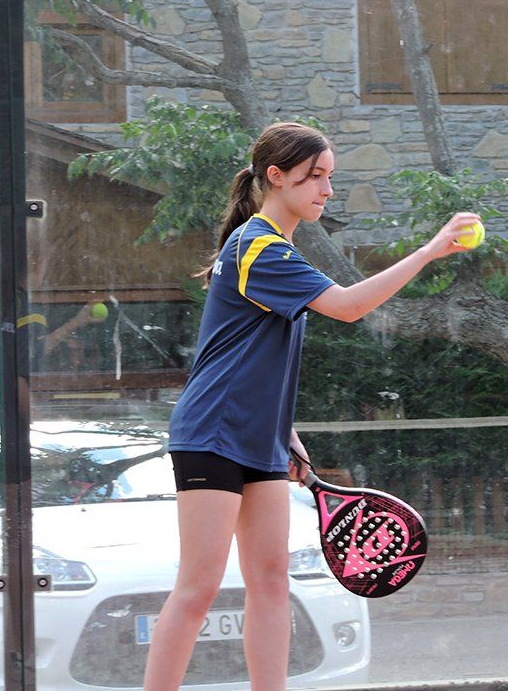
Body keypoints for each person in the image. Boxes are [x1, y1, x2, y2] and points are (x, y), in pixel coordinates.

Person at [144, 122, 481, 691]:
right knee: (198, 588)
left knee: (272, 582)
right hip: (212, 433)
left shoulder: (274, 248)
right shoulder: (258, 246)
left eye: (329, 178)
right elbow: (349, 307)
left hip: (261, 436)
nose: (326, 189)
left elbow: (247, 357)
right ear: (276, 178)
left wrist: (286, 429)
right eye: (315, 177)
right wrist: (428, 251)